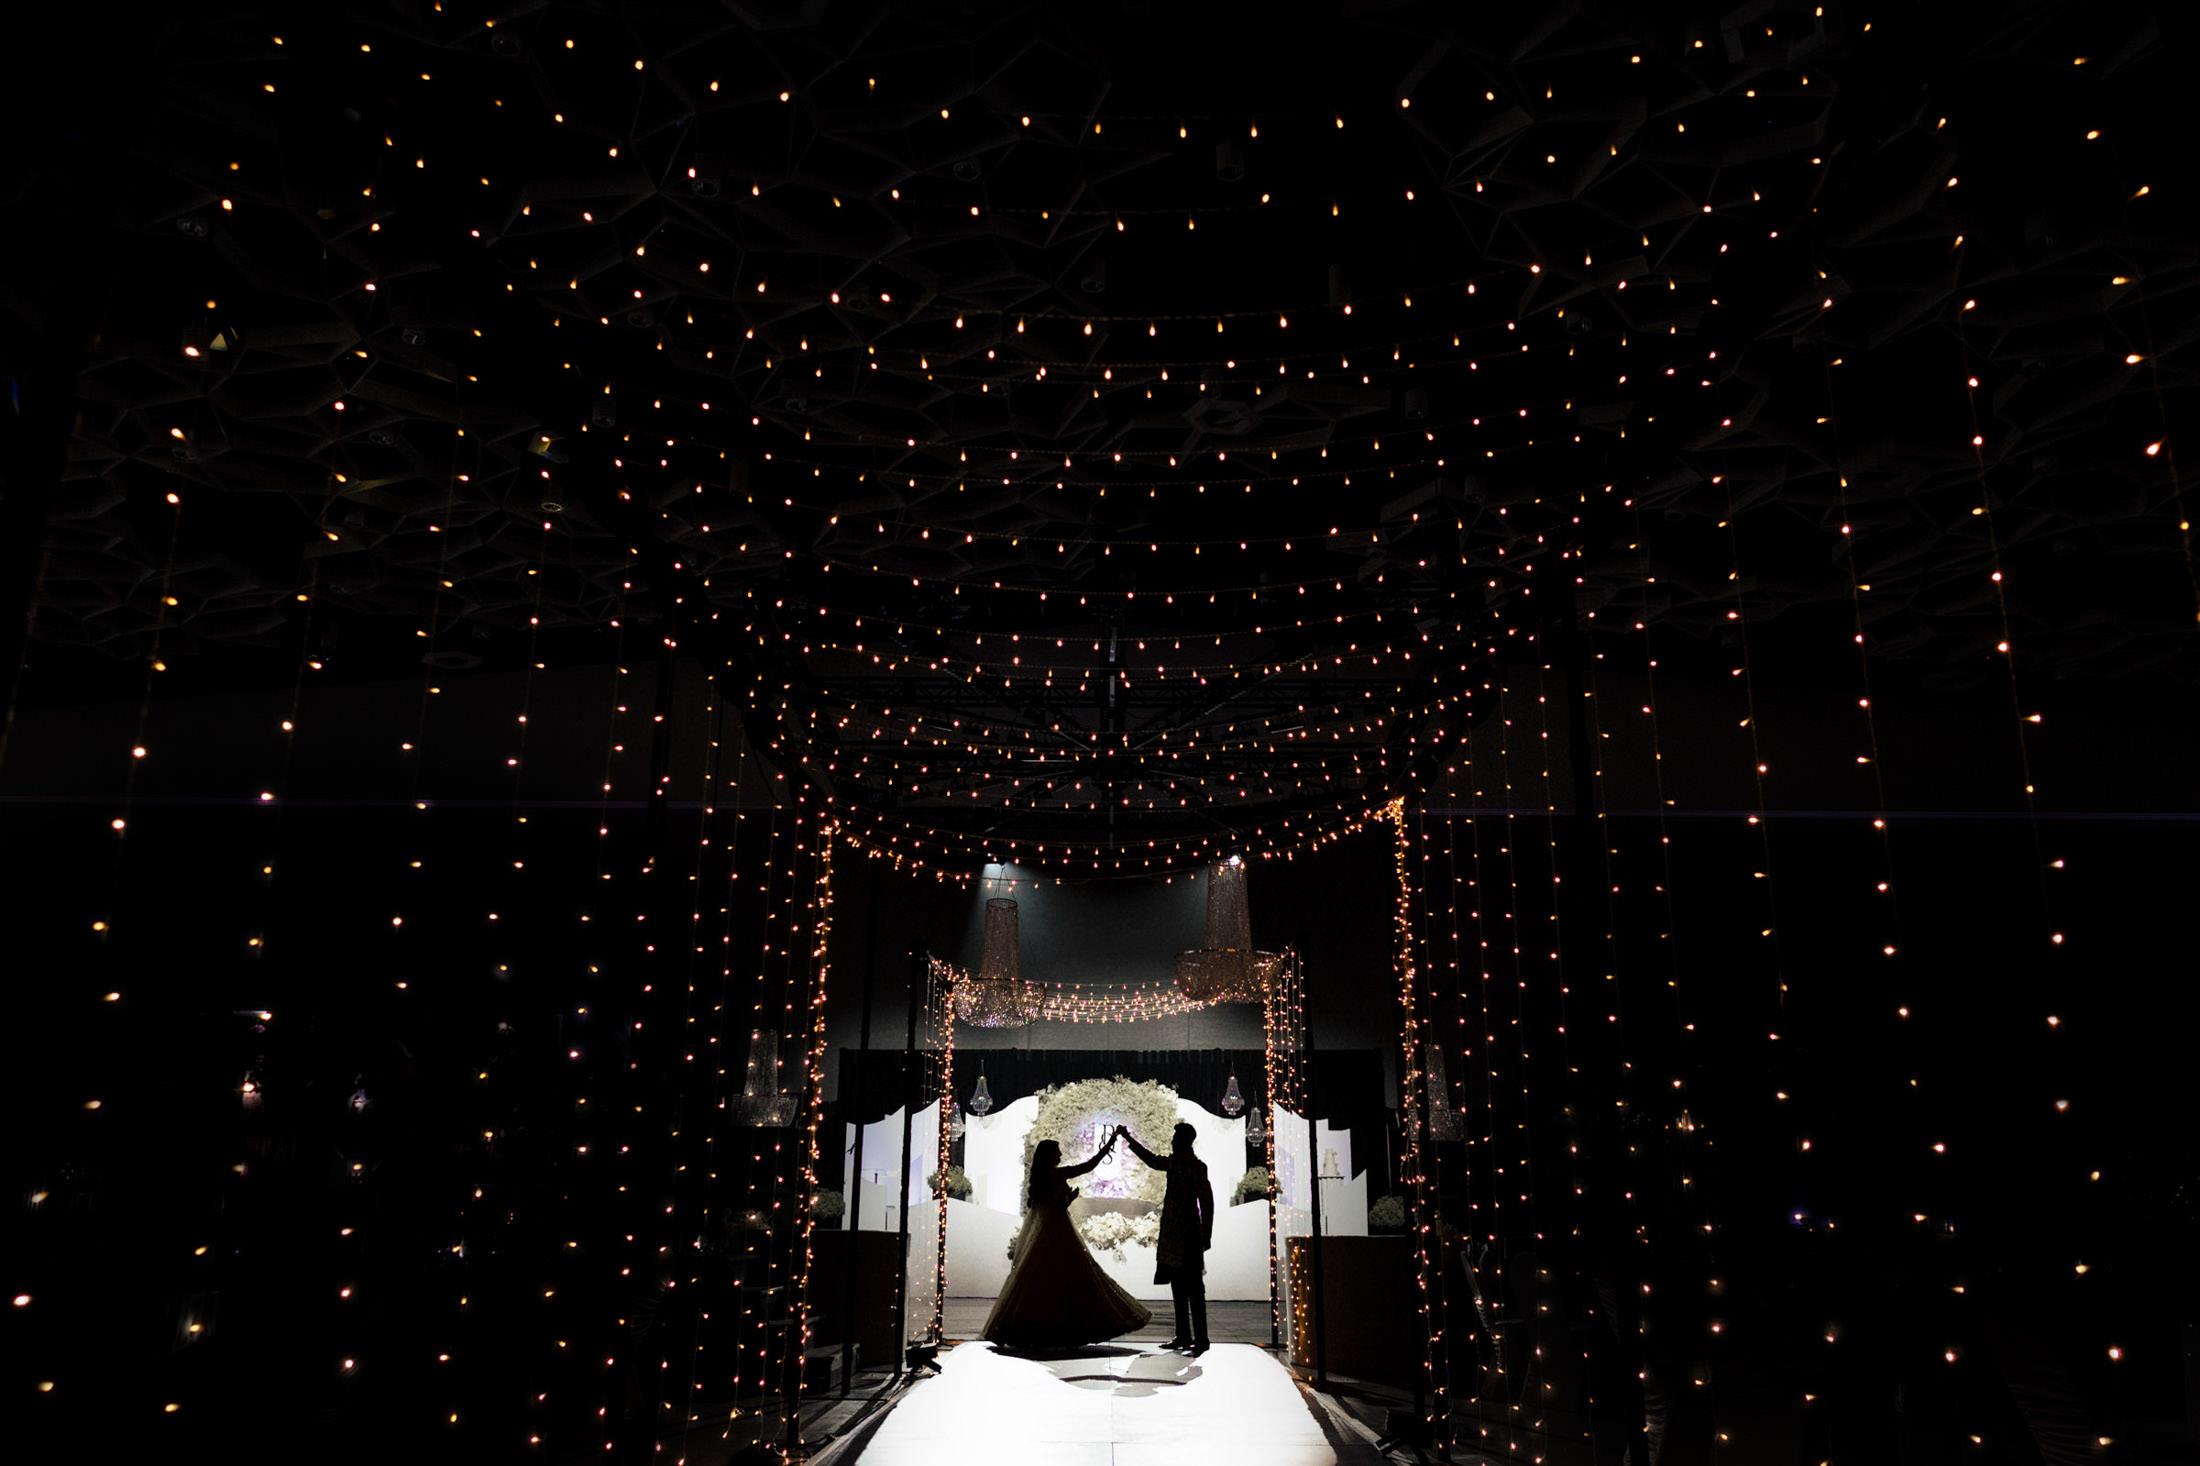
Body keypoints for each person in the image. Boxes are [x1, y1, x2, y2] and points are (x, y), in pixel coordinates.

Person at [981, 1132, 1154, 1350]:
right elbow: (1088, 1166)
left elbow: (1047, 1206)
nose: (1061, 1154)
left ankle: (1033, 1330)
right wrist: (1110, 1143)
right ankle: (1063, 1329)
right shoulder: (1056, 1175)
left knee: (1041, 1281)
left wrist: (1067, 1199)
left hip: (1046, 1235)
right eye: (1057, 1151)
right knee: (1072, 1278)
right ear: (1049, 1156)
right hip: (1059, 1233)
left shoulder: (1040, 1177)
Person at [1117, 1121, 1213, 1353]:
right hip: (1184, 1234)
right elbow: (1207, 1202)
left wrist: (1205, 1234)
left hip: (1185, 1235)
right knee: (1183, 1286)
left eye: (1175, 1136)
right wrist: (1206, 1233)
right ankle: (1188, 1336)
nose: (1172, 1140)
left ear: (1184, 1140)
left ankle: (1197, 1338)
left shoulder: (1187, 1165)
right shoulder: (1188, 1164)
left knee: (1189, 1287)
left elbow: (1207, 1202)